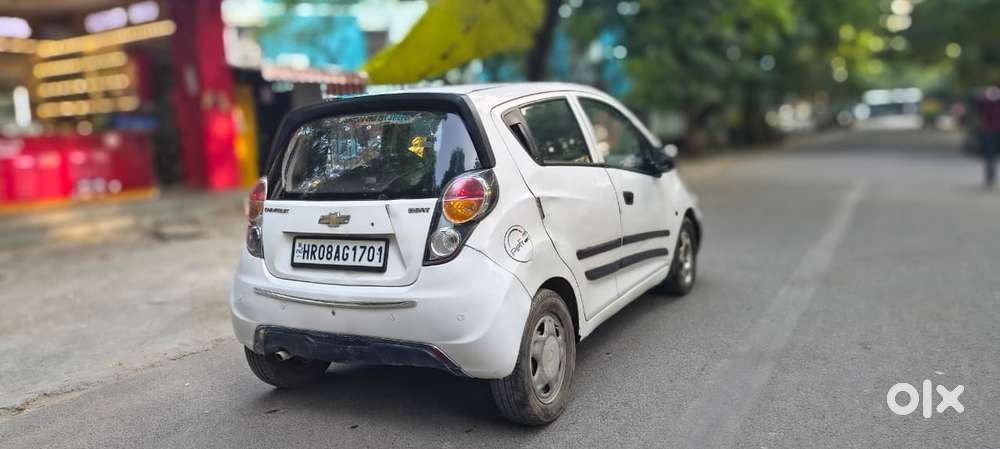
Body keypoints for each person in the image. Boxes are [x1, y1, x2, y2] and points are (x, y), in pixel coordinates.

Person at [974, 86, 1000, 188]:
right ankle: (990, 177)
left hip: (989, 131)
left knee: (990, 156)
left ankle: (990, 177)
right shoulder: (986, 103)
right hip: (989, 131)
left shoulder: (985, 103)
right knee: (989, 156)